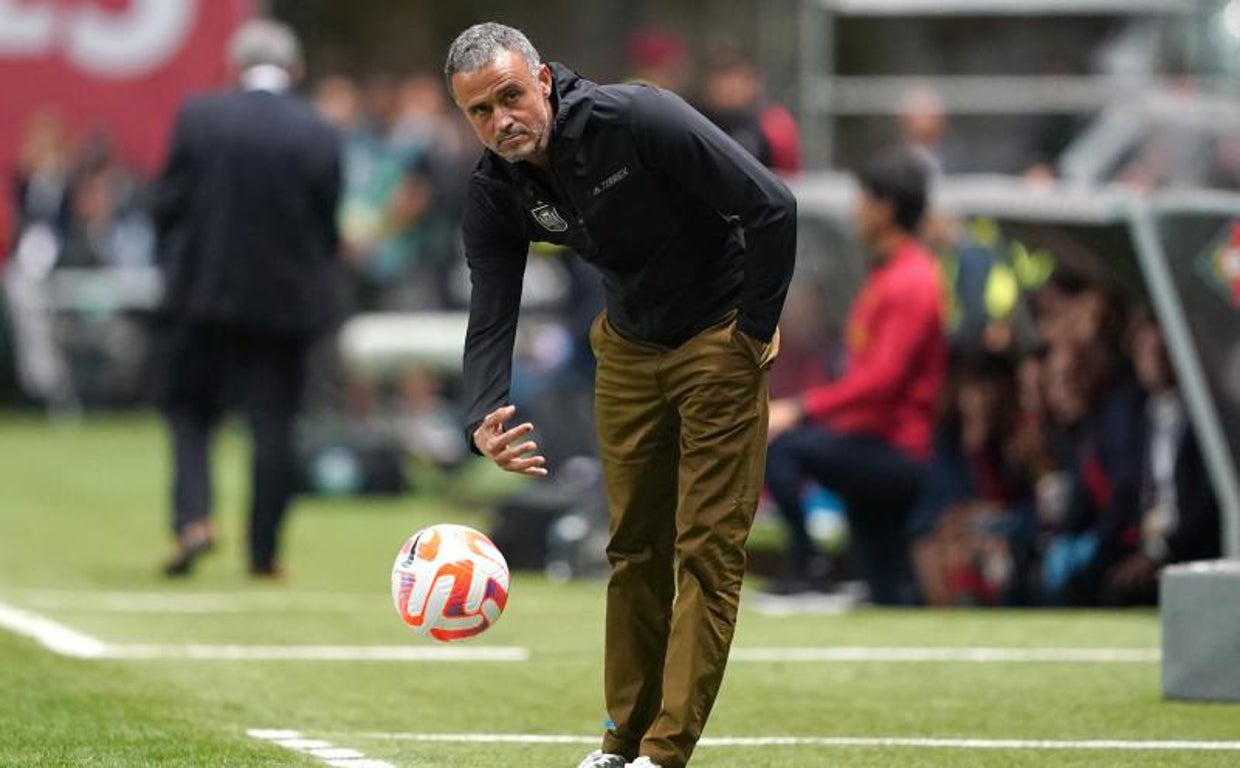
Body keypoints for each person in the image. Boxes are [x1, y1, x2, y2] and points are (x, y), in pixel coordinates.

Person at [444, 22, 796, 768]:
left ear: (541, 82)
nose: (500, 119)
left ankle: (664, 754)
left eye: (509, 96)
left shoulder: (639, 117)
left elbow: (772, 206)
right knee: (633, 548)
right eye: (479, 110)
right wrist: (482, 414)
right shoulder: (493, 190)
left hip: (718, 336)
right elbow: (491, 307)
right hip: (630, 348)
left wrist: (754, 332)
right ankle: (619, 744)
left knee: (707, 550)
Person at [152, 20, 342, 577]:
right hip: (285, 308)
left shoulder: (199, 117)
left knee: (189, 413)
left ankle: (193, 520)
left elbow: (166, 207)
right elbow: (325, 229)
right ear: (296, 69)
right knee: (274, 428)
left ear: (234, 68)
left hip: (203, 299)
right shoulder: (319, 130)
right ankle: (264, 554)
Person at [764, 148, 947, 605]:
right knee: (889, 586)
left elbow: (883, 380)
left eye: (863, 199)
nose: (856, 211)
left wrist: (800, 410)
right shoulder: (890, 275)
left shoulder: (911, 281)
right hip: (869, 442)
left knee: (782, 450)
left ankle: (810, 568)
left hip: (894, 449)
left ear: (886, 207)